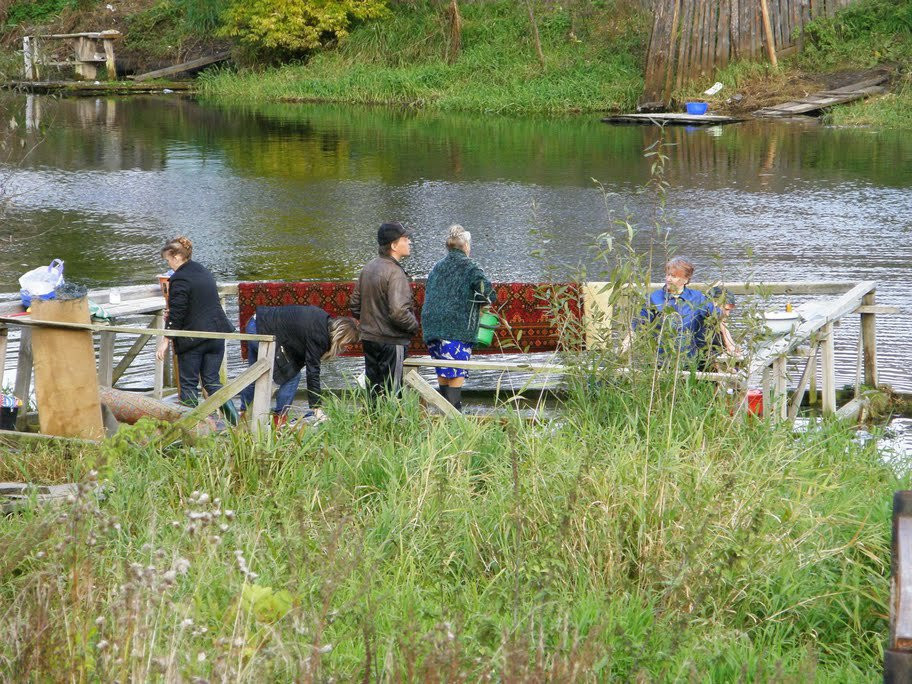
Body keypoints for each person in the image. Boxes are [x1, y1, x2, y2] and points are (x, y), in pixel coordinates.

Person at [155, 236, 238, 422]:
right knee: (212, 382)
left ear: (176, 257)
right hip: (216, 335)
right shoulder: (203, 271)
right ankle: (236, 424)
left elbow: (177, 312)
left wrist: (166, 340)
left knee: (189, 384)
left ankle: (190, 429)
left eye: (168, 260)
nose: (169, 265)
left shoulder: (179, 278)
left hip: (194, 338)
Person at [420, 224, 497, 411]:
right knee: (456, 372)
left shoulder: (436, 267)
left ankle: (445, 415)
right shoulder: (470, 266)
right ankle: (455, 415)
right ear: (466, 246)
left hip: (431, 327)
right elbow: (488, 295)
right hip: (456, 328)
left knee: (443, 371)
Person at [238, 306, 360, 422]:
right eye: (346, 345)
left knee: (254, 374)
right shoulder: (319, 336)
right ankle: (279, 418)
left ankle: (243, 415)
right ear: (342, 337)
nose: (346, 349)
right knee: (292, 376)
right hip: (263, 333)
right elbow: (313, 372)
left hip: (256, 322)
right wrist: (316, 408)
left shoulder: (324, 320)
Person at [349, 222, 419, 398]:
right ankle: (392, 425)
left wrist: (370, 321)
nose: (409, 242)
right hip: (392, 341)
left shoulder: (368, 267)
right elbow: (398, 312)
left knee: (374, 391)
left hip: (370, 339)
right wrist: (414, 326)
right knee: (394, 393)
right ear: (394, 245)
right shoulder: (395, 273)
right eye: (405, 239)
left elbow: (355, 305)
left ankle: (375, 423)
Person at [637, 257, 735, 363]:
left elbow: (720, 318)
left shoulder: (698, 298)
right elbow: (637, 326)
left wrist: (730, 345)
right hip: (660, 361)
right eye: (668, 274)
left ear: (685, 279)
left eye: (673, 276)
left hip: (690, 360)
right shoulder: (653, 298)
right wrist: (622, 351)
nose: (668, 279)